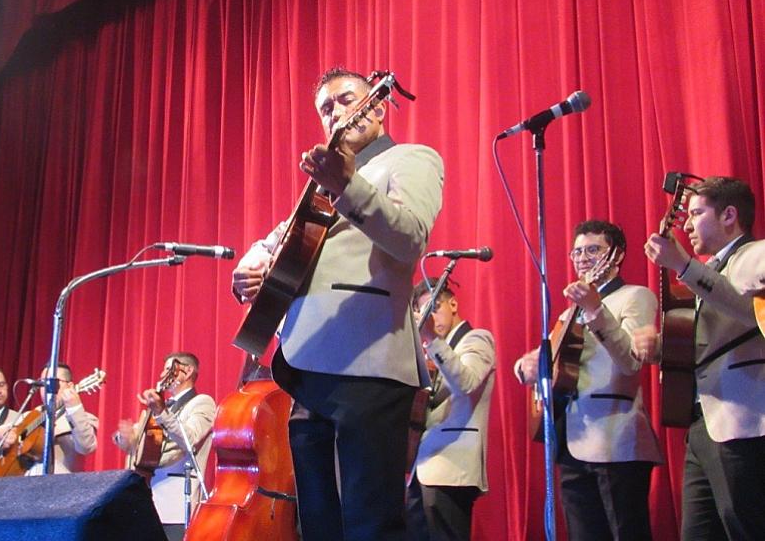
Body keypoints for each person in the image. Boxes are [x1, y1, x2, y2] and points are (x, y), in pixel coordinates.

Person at [232, 66, 443, 540]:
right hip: (306, 366)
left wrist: (349, 184)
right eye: (326, 108)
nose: (337, 112)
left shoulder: (411, 159)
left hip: (367, 362)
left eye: (347, 99)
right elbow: (275, 240)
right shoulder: (321, 187)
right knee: (319, 525)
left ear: (379, 106)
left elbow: (410, 238)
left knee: (370, 524)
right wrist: (248, 267)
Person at [514, 219, 663, 540]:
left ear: (616, 255)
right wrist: (525, 367)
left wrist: (596, 310)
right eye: (577, 252)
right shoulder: (569, 313)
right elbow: (548, 359)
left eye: (593, 250)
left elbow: (630, 361)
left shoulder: (635, 296)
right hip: (571, 439)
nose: (582, 258)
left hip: (616, 440)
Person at [642, 176, 765, 539]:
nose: (688, 225)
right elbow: (711, 338)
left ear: (729, 215)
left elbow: (751, 312)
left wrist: (683, 265)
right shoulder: (705, 272)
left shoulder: (756, 255)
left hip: (744, 419)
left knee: (746, 526)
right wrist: (658, 346)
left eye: (696, 213)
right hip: (701, 423)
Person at [407, 279, 495, 541]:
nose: (429, 318)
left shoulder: (477, 338)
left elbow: (466, 383)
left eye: (433, 308)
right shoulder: (432, 352)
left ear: (453, 304)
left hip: (452, 466)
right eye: (422, 313)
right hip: (423, 465)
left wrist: (431, 338)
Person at [113, 352, 216, 537]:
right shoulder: (163, 406)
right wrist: (125, 437)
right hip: (148, 503)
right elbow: (140, 441)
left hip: (175, 505)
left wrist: (161, 412)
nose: (162, 375)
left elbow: (190, 438)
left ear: (187, 371)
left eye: (168, 369)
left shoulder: (202, 403)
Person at [25, 362, 99, 474]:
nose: (46, 387)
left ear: (70, 386)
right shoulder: (27, 417)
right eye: (43, 382)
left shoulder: (85, 419)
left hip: (62, 482)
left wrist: (74, 408)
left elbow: (86, 447)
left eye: (53, 382)